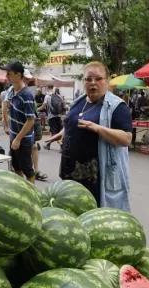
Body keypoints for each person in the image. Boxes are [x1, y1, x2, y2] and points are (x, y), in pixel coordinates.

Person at [42, 61, 133, 210]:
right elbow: (73, 125)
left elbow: (126, 139)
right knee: (71, 211)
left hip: (95, 176)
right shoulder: (80, 101)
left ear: (107, 80)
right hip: (71, 170)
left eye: (98, 79)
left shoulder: (117, 107)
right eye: (88, 79)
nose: (93, 83)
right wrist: (57, 135)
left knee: (92, 214)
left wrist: (97, 128)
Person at [1, 61, 36, 183]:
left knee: (28, 171)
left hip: (23, 139)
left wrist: (18, 139)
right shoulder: (12, 91)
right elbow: (6, 106)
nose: (7, 76)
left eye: (9, 74)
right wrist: (6, 124)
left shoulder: (26, 95)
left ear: (18, 74)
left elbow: (31, 121)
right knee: (16, 167)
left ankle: (32, 196)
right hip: (14, 136)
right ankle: (21, 191)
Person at [42, 85, 65, 150]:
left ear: (48, 88)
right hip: (59, 116)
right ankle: (48, 145)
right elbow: (63, 105)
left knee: (54, 133)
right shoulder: (60, 96)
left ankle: (61, 145)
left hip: (51, 117)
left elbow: (43, 106)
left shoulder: (47, 96)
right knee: (54, 132)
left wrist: (37, 109)